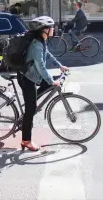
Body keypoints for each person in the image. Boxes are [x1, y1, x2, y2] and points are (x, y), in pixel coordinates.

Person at [17, 16, 68, 151]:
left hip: (33, 76)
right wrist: (52, 81)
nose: (54, 30)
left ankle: (32, 100)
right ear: (45, 29)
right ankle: (26, 140)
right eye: (52, 27)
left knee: (48, 85)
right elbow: (41, 66)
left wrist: (60, 66)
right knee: (30, 110)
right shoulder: (36, 45)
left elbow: (48, 54)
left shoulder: (42, 41)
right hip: (27, 78)